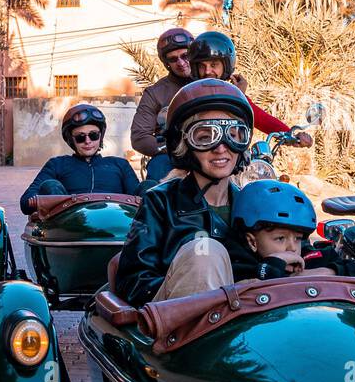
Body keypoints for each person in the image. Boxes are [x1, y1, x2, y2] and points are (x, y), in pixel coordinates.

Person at [115, 80, 335, 306]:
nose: (221, 147)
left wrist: (336, 264)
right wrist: (194, 276)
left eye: (233, 134)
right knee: (205, 252)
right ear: (183, 143)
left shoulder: (257, 203)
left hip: (251, 324)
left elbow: (305, 255)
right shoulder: (161, 201)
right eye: (205, 137)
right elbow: (132, 283)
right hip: (177, 326)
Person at [187, 30, 314, 146]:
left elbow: (260, 118)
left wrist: (290, 135)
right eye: (202, 66)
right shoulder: (189, 95)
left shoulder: (234, 94)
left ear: (225, 65)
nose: (208, 71)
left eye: (214, 64)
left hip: (234, 156)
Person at [20, 104, 141, 215]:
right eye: (80, 137)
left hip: (116, 225)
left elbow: (140, 198)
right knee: (50, 185)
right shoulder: (57, 164)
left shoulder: (120, 164)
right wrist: (44, 198)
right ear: (71, 139)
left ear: (101, 136)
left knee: (148, 187)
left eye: (93, 135)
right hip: (70, 228)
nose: (88, 141)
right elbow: (26, 202)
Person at [231, 179, 340, 279]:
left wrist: (328, 271)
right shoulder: (236, 262)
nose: (292, 248)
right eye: (280, 238)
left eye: (297, 238)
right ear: (252, 242)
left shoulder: (305, 256)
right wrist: (275, 264)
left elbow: (353, 268)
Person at [130, 27, 196, 181]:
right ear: (167, 63)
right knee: (158, 171)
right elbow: (139, 136)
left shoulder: (210, 82)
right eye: (173, 59)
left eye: (185, 55)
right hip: (170, 157)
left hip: (211, 150)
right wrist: (176, 150)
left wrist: (240, 94)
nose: (180, 62)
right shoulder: (155, 93)